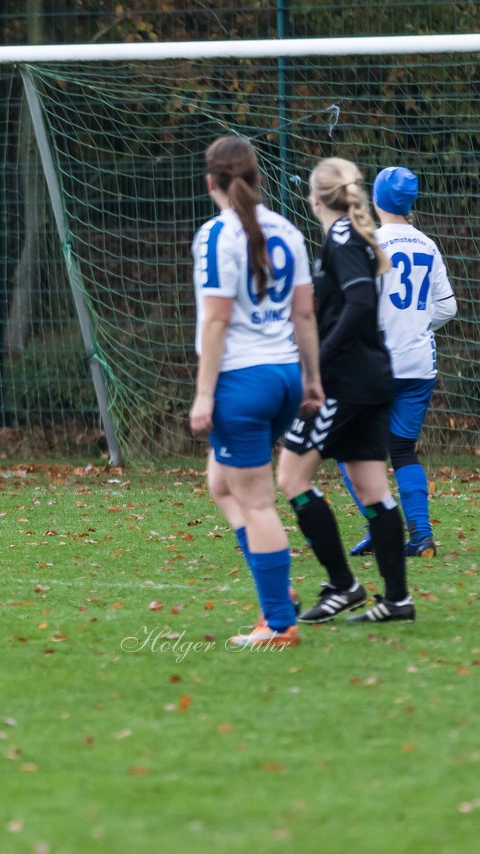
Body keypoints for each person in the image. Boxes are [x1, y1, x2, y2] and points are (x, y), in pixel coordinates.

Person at [187, 136, 322, 649]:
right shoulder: (287, 228)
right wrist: (311, 378)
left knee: (258, 503)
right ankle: (278, 591)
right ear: (257, 179)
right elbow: (304, 313)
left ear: (210, 182)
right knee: (222, 485)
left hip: (242, 382)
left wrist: (204, 395)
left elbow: (217, 320)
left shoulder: (215, 235)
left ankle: (279, 622)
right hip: (285, 374)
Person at [277, 157, 414, 624]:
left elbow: (359, 301)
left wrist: (318, 363)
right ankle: (397, 600)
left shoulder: (340, 238)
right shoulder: (342, 237)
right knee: (371, 487)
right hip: (371, 377)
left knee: (292, 479)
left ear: (315, 196)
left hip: (347, 382)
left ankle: (344, 584)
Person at [341, 166, 456, 558]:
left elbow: (355, 304)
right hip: (420, 364)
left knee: (347, 445)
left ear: (376, 200)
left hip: (378, 364)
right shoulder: (427, 244)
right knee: (403, 449)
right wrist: (417, 321)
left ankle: (380, 526)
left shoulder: (370, 241)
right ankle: (421, 536)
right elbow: (448, 306)